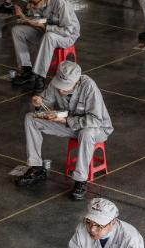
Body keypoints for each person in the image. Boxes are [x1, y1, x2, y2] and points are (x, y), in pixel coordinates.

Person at [14, 61, 113, 201]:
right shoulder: (55, 83)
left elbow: (96, 120)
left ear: (77, 82)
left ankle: (80, 181)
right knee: (30, 118)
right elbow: (45, 104)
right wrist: (38, 104)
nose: (61, 90)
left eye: (65, 88)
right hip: (69, 124)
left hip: (97, 129)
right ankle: (36, 168)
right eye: (59, 85)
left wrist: (66, 120)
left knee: (87, 132)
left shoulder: (89, 87)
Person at [10, 0, 80, 94]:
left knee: (49, 36)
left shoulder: (61, 3)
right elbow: (36, 20)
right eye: (31, 2)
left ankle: (40, 77)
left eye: (34, 3)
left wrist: (45, 27)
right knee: (17, 31)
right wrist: (22, 16)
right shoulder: (37, 3)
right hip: (47, 31)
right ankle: (27, 71)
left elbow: (68, 30)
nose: (33, 5)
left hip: (67, 36)